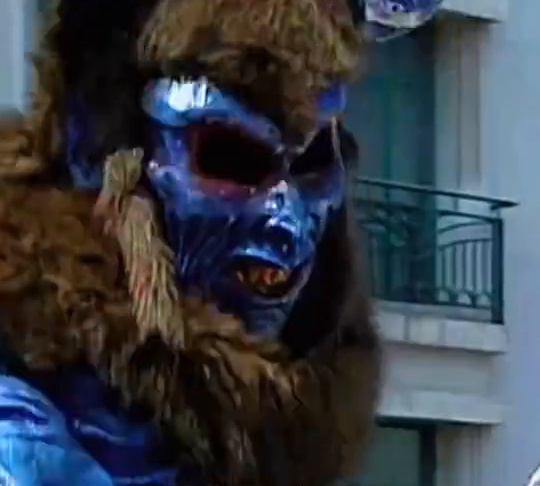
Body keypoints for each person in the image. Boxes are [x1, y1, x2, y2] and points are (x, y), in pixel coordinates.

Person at [0, 0, 439, 484]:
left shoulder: (262, 443)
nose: (286, 219)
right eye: (233, 156)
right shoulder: (23, 446)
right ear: (94, 153)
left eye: (311, 165)